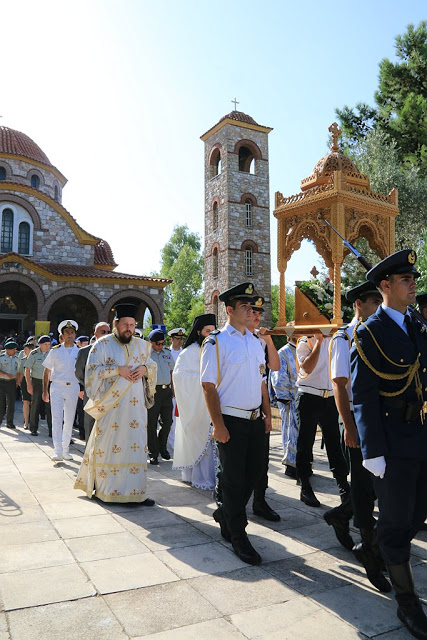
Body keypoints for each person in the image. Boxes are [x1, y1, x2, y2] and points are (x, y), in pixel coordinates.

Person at [351, 249, 427, 639]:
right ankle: (408, 605)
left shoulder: (416, 322)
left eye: (413, 278)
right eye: (405, 280)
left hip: (422, 436)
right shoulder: (368, 332)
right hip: (393, 443)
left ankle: (376, 548)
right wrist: (372, 451)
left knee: (417, 517)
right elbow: (362, 396)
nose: (413, 284)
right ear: (385, 286)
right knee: (398, 525)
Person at [201, 282, 271, 566]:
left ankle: (226, 514)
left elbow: (262, 381)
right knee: (232, 480)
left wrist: (267, 416)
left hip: (255, 419)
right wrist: (218, 425)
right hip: (230, 419)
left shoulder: (255, 342)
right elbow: (208, 386)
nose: (250, 310)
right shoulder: (216, 341)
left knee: (255, 473)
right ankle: (239, 536)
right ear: (229, 310)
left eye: (252, 306)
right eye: (244, 306)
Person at [327, 282, 390, 592]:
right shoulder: (343, 337)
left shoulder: (379, 332)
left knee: (377, 483)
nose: (380, 306)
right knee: (365, 487)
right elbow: (340, 384)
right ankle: (369, 548)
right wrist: (349, 427)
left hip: (379, 417)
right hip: (354, 419)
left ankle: (341, 515)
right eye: (374, 301)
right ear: (359, 304)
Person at [74, 304, 156, 505]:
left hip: (136, 411)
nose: (129, 328)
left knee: (135, 447)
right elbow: (91, 373)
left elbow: (153, 366)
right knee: (110, 446)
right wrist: (116, 370)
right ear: (115, 324)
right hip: (111, 408)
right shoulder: (101, 345)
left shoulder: (142, 346)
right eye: (125, 324)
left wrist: (145, 369)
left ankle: (137, 493)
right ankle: (107, 491)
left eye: (132, 324)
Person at [295, 331, 349, 508]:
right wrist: (318, 341)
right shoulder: (305, 340)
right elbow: (306, 368)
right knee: (305, 443)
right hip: (309, 396)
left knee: (335, 444)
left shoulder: (338, 338)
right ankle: (305, 485)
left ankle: (343, 485)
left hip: (330, 398)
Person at [172, 314, 217, 489]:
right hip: (197, 404)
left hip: (214, 402)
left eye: (214, 331)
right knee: (200, 439)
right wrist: (205, 380)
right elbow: (179, 376)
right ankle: (200, 478)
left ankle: (213, 476)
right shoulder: (188, 352)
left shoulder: (216, 349)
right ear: (199, 332)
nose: (211, 335)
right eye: (207, 331)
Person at [246, 294, 281, 522]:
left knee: (261, 461)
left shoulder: (260, 342)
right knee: (236, 464)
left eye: (260, 314)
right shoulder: (228, 340)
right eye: (253, 313)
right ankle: (226, 503)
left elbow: (274, 367)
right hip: (236, 410)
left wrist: (268, 341)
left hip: (258, 408)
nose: (257, 317)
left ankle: (260, 501)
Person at [42, 320, 80, 461]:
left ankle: (66, 450)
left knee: (69, 419)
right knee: (57, 418)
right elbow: (46, 371)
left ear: (75, 334)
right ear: (62, 335)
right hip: (57, 386)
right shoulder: (55, 350)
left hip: (73, 387)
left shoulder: (80, 351)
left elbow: (83, 372)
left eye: (72, 333)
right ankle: (57, 451)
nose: (69, 335)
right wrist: (44, 391)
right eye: (67, 333)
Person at [270, 324, 299, 479]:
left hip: (303, 400)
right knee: (290, 431)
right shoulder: (283, 352)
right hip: (290, 400)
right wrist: (284, 396)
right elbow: (278, 376)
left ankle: (302, 462)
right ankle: (290, 465)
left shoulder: (305, 349)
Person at [74, 322, 110, 442]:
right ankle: (89, 454)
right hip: (91, 392)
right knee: (90, 422)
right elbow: (79, 372)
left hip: (109, 392)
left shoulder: (113, 351)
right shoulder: (85, 351)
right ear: (95, 334)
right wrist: (88, 385)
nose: (106, 335)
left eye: (108, 332)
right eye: (102, 332)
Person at [147, 328, 174, 464]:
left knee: (168, 422)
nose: (160, 346)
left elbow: (171, 372)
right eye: (157, 343)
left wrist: (173, 389)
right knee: (151, 423)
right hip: (153, 391)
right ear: (151, 342)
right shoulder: (145, 355)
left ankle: (162, 447)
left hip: (166, 392)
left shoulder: (167, 353)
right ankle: (153, 452)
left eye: (162, 343)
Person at [25, 335, 52, 436]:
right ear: (40, 344)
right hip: (37, 382)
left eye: (49, 344)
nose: (47, 346)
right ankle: (33, 428)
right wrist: (29, 385)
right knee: (35, 405)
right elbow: (27, 369)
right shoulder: (34, 353)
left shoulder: (52, 353)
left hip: (50, 382)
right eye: (45, 344)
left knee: (50, 407)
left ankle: (51, 430)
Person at [0, 339, 19, 429]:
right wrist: (6, 374)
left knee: (11, 403)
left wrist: (17, 381)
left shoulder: (17, 358)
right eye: (13, 349)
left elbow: (19, 370)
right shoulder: (1, 357)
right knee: (1, 403)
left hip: (11, 383)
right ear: (8, 350)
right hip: (2, 382)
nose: (15, 351)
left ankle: (9, 422)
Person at [16, 339, 34, 430]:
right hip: (25, 382)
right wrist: (18, 382)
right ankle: (26, 422)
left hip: (35, 381)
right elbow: (20, 372)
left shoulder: (35, 357)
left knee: (34, 403)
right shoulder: (22, 360)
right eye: (25, 349)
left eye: (27, 349)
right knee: (26, 402)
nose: (25, 351)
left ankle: (33, 422)